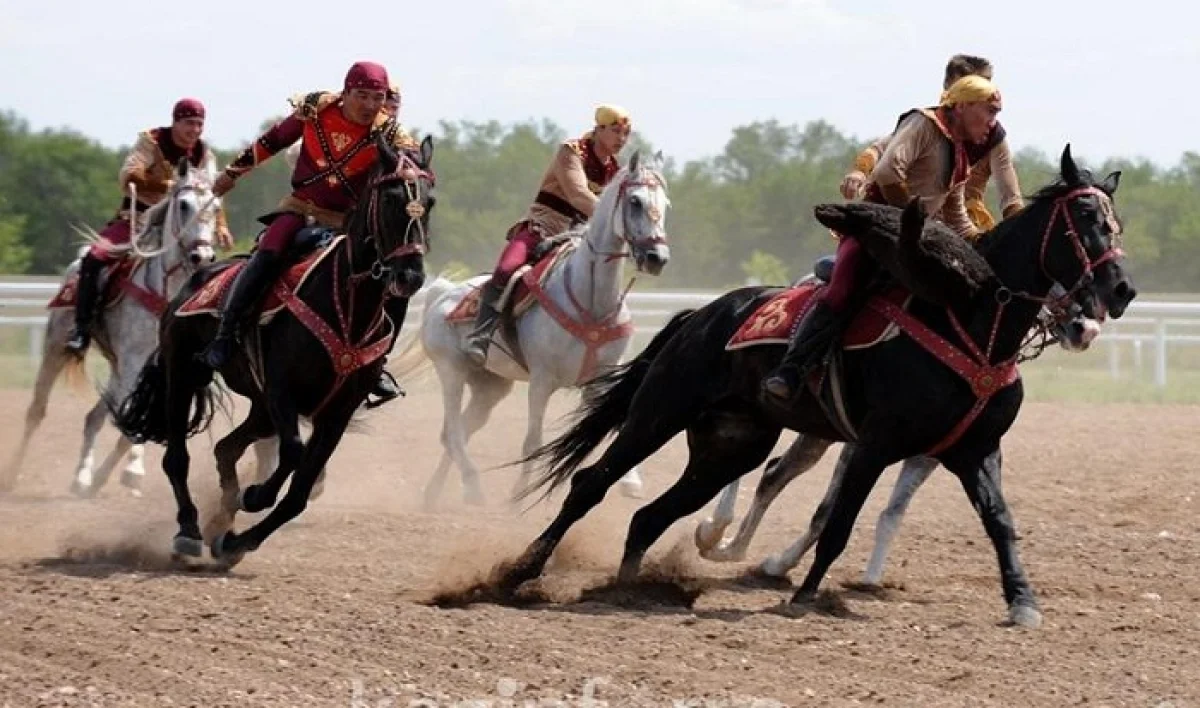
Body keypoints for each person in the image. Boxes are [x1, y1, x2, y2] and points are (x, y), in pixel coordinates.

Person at [762, 75, 1005, 403]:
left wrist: (985, 244)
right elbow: (888, 172)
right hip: (872, 232)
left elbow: (957, 216)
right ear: (962, 106)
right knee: (843, 289)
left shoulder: (961, 155)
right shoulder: (923, 123)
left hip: (914, 243)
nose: (993, 123)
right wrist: (914, 221)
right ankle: (791, 371)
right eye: (989, 112)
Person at [201, 61, 417, 405]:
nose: (369, 105)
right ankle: (227, 334)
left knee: (395, 282)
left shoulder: (389, 132)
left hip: (348, 224)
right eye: (362, 96)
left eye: (377, 98)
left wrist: (411, 170)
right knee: (267, 254)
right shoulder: (315, 109)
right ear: (346, 92)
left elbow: (412, 159)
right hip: (300, 209)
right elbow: (272, 141)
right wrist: (232, 173)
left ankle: (377, 363)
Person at [463, 104, 631, 366]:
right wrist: (616, 217)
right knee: (507, 269)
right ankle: (481, 335)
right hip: (545, 226)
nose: (621, 139)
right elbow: (577, 195)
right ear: (598, 130)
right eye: (616, 131)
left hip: (579, 236)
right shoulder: (572, 151)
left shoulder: (614, 168)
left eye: (625, 134)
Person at [65, 98, 233, 354]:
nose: (195, 130)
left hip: (181, 225)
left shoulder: (204, 153)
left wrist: (221, 225)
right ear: (175, 121)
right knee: (95, 258)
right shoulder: (151, 142)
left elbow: (213, 192)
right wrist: (171, 187)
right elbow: (129, 176)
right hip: (137, 218)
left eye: (199, 124)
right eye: (189, 123)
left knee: (209, 269)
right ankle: (82, 328)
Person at [840, 54, 1023, 232]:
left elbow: (1010, 200)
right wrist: (860, 172)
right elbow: (885, 156)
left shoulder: (989, 138)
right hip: (901, 221)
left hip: (957, 226)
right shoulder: (928, 123)